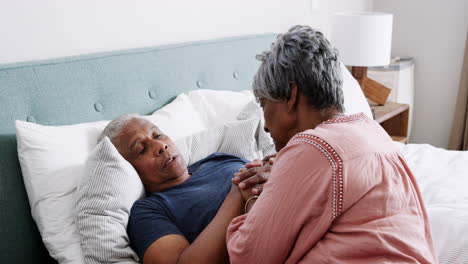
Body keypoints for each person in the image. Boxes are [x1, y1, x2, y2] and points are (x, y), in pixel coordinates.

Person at [226, 25, 438, 263]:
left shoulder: (311, 147)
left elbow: (249, 256)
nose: (265, 125)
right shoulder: (373, 131)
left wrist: (252, 199)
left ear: (291, 94)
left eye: (264, 105)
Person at [98, 114, 271, 264]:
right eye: (142, 149)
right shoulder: (148, 212)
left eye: (158, 135)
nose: (160, 146)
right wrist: (238, 195)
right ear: (128, 169)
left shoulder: (218, 159)